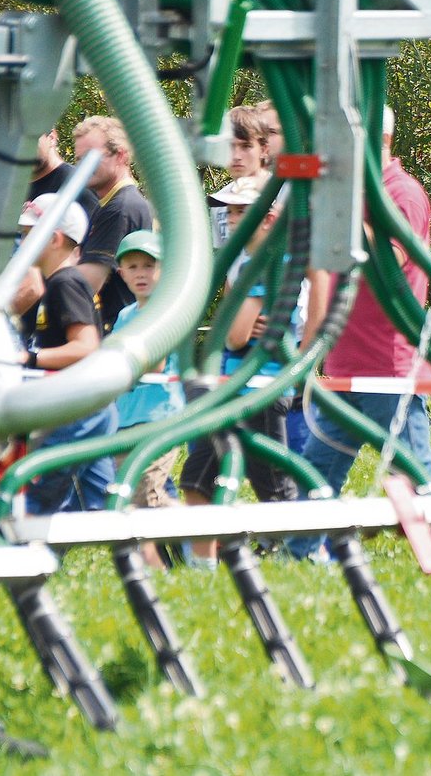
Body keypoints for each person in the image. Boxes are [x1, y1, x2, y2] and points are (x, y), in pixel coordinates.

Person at [287, 107, 431, 560]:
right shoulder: (346, 197)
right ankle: (298, 558)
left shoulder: (403, 193)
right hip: (345, 366)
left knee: (415, 475)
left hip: (387, 367)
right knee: (318, 469)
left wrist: (346, 221)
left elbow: (393, 262)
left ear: (380, 141)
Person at [178, 174, 297, 567]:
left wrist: (235, 325)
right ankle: (206, 568)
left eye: (243, 211)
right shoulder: (243, 260)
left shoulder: (270, 263)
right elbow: (235, 331)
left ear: (269, 217)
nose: (232, 218)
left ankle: (298, 559)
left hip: (261, 390)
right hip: (231, 390)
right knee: (196, 481)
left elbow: (233, 336)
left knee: (276, 493)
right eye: (230, 210)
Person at [16, 193, 117, 514]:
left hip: (79, 410)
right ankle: (147, 558)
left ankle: (17, 558)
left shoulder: (65, 284)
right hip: (90, 405)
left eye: (28, 233)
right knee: (103, 505)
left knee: (39, 493)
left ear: (55, 238)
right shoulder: (54, 284)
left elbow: (86, 347)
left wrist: (30, 360)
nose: (22, 240)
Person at [110, 230, 185, 565]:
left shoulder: (167, 310)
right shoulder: (126, 316)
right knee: (134, 498)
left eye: (149, 266)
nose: (141, 273)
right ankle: (197, 537)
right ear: (121, 273)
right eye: (133, 266)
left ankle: (203, 533)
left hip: (159, 418)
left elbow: (153, 361)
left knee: (147, 500)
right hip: (126, 418)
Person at [15, 128, 102, 334]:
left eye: (31, 137)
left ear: (52, 137)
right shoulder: (15, 186)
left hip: (62, 318)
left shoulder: (77, 185)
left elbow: (79, 256)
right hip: (31, 325)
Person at [72, 116, 154, 333]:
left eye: (91, 158)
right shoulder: (109, 204)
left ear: (121, 155)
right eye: (79, 160)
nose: (83, 167)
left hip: (120, 331)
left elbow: (87, 283)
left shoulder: (121, 207)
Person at [212, 105, 281, 246]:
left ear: (263, 149)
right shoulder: (218, 202)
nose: (236, 156)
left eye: (246, 146)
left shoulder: (283, 192)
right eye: (230, 146)